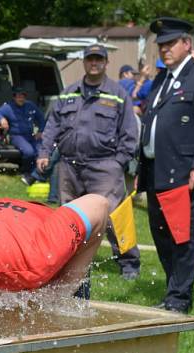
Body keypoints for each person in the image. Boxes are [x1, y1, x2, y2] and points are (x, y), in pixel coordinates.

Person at [137, 17, 194, 313]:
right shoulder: (161, 79)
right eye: (161, 44)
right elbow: (152, 120)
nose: (164, 49)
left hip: (183, 172)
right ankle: (173, 287)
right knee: (160, 233)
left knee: (181, 235)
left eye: (170, 43)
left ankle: (179, 298)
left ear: (187, 44)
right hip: (154, 170)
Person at [37, 44, 140, 280]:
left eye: (98, 59)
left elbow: (130, 132)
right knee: (68, 219)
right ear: (84, 62)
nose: (94, 63)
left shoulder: (117, 94)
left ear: (106, 62)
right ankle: (69, 263)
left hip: (105, 166)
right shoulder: (69, 92)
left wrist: (118, 162)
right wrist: (44, 153)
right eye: (90, 59)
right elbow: (52, 126)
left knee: (114, 217)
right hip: (69, 166)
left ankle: (129, 263)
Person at [0, 86, 45, 185]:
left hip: (30, 135)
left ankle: (38, 174)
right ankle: (26, 172)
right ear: (14, 97)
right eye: (18, 96)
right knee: (29, 152)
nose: (21, 98)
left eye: (23, 96)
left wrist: (41, 131)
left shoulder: (30, 105)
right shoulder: (8, 107)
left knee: (41, 150)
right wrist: (2, 119)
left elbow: (41, 118)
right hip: (16, 136)